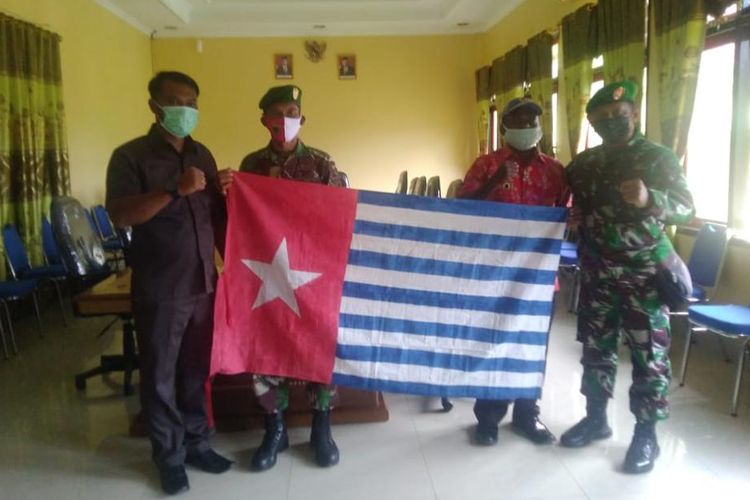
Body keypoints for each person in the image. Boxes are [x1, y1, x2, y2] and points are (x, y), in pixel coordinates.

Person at [106, 71, 232, 495]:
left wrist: (228, 192)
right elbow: (121, 215)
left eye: (193, 103)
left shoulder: (203, 154)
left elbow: (216, 212)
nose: (186, 110)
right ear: (155, 106)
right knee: (159, 375)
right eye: (177, 101)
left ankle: (198, 443)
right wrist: (172, 190)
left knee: (195, 372)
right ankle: (169, 457)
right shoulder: (130, 157)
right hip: (161, 287)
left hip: (203, 282)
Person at [560, 81, 695, 474]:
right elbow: (575, 207)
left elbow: (687, 208)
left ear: (634, 114)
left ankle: (646, 435)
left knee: (648, 358)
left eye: (619, 115)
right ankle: (596, 418)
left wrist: (651, 198)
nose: (612, 123)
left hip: (645, 278)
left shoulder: (659, 158)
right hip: (598, 273)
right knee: (596, 350)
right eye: (602, 118)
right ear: (592, 123)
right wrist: (572, 218)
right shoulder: (583, 165)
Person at [219, 85, 346, 472]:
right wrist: (227, 192)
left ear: (302, 118)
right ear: (264, 120)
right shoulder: (251, 164)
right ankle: (274, 429)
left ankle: (321, 427)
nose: (284, 120)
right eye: (276, 113)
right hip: (269, 274)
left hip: (315, 273)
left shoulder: (323, 164)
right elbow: (241, 221)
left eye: (291, 112)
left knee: (319, 347)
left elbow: (340, 213)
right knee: (267, 349)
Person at [457, 97, 568, 447]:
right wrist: (493, 182)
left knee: (532, 346)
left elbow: (567, 213)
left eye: (531, 121)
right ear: (504, 128)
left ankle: (527, 414)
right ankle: (488, 418)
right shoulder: (485, 164)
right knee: (494, 343)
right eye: (517, 122)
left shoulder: (555, 170)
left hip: (538, 276)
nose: (526, 127)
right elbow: (460, 208)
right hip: (495, 273)